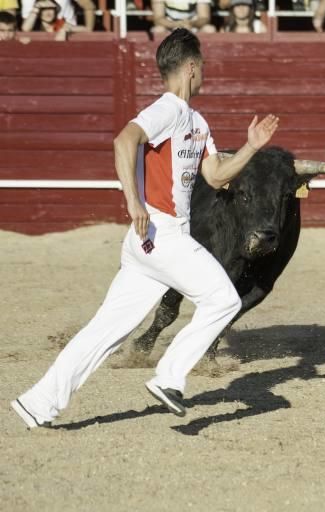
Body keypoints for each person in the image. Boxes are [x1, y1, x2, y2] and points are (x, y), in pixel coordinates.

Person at [10, 28, 280, 429]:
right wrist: (133, 201)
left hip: (149, 245)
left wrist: (251, 148)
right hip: (161, 234)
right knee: (223, 298)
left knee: (106, 331)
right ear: (190, 67)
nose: (203, 74)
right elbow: (124, 140)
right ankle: (169, 376)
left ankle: (38, 401)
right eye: (201, 66)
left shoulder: (198, 122)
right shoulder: (167, 109)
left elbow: (217, 176)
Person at [20, 0, 95, 32]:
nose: (48, 12)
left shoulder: (61, 23)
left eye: (51, 8)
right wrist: (35, 10)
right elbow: (26, 28)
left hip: (69, 35)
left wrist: (89, 29)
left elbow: (89, 5)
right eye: (44, 9)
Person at [150, 0, 216, 34]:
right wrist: (175, 24)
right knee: (158, 30)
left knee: (209, 29)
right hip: (169, 25)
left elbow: (204, 18)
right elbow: (158, 19)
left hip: (193, 25)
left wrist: (191, 24)